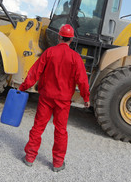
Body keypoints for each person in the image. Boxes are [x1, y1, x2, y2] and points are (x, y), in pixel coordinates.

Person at [19, 24, 90, 172]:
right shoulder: (75, 58)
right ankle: (57, 163)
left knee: (38, 127)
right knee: (61, 131)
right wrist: (86, 97)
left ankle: (30, 157)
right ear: (71, 40)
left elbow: (35, 72)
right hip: (63, 101)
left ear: (59, 37)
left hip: (46, 97)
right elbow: (82, 80)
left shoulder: (49, 52)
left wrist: (23, 87)